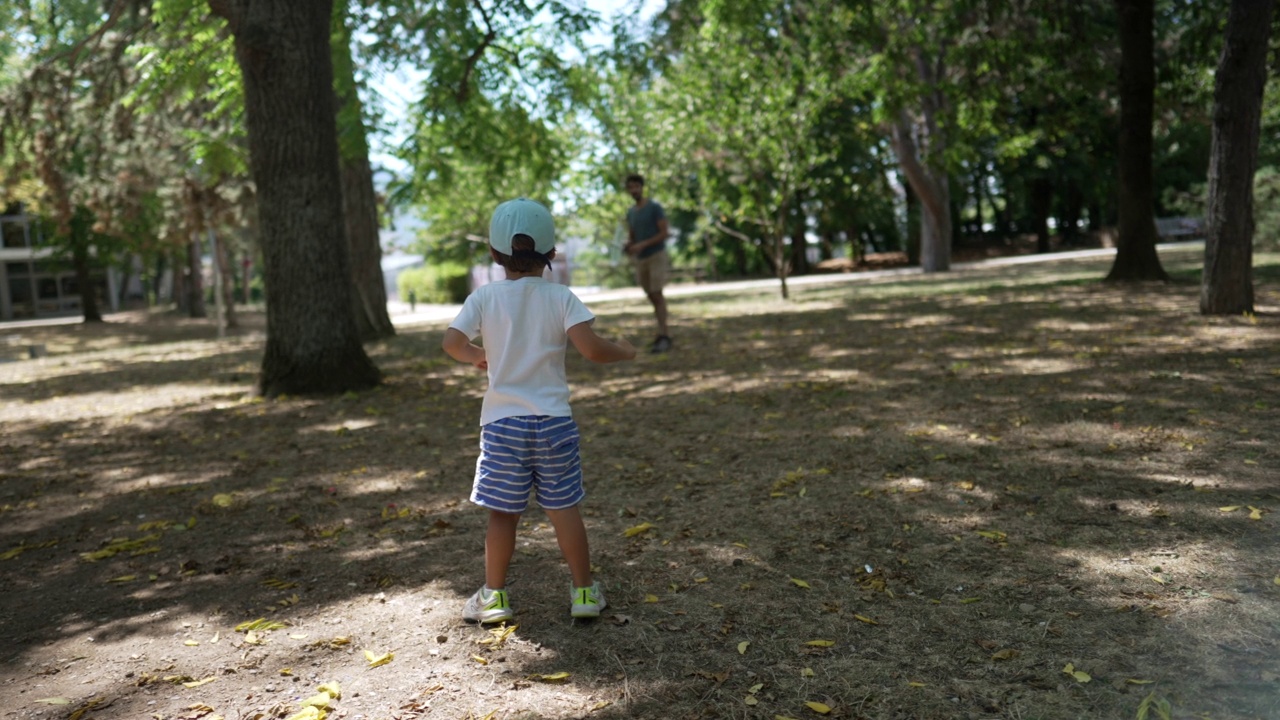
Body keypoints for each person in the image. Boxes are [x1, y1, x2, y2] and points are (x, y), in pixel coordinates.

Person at [443, 197, 637, 624]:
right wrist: (623, 351)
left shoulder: (484, 298)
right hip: (553, 422)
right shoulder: (561, 296)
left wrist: (480, 356)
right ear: (551, 253)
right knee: (563, 507)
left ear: (494, 255)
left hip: (501, 424)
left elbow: (452, 344)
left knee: (503, 513)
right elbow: (591, 349)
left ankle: (493, 597)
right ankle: (584, 593)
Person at [623, 174, 672, 353]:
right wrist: (629, 245)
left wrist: (644, 244)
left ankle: (664, 334)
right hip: (641, 259)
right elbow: (632, 235)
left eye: (637, 186)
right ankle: (661, 329)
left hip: (656, 255)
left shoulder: (654, 207)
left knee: (657, 293)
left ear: (642, 187)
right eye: (631, 187)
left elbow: (664, 232)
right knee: (650, 294)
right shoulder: (630, 212)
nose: (634, 190)